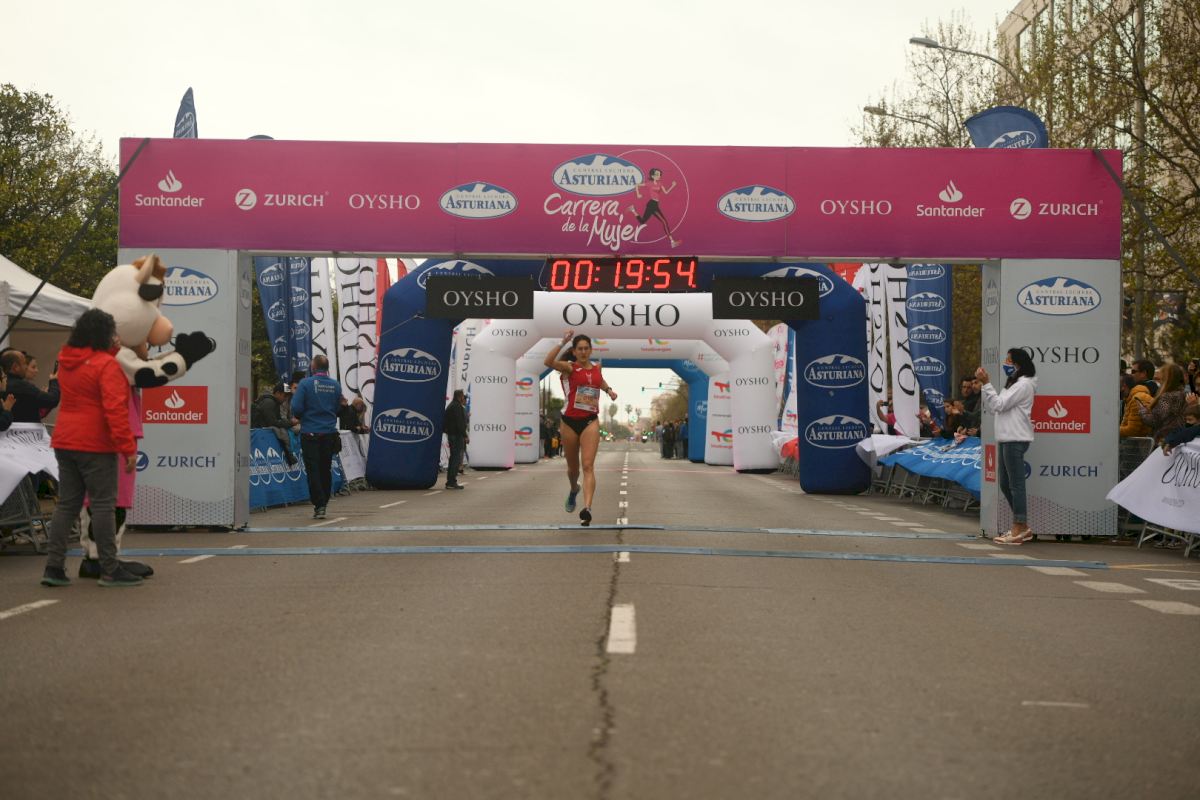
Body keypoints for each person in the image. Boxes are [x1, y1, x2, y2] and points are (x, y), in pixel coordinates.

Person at [39, 309, 141, 588]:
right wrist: (127, 448)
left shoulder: (66, 361)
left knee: (67, 505)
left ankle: (53, 567)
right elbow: (114, 410)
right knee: (104, 505)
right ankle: (109, 568)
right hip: (96, 443)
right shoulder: (106, 366)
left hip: (65, 439)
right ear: (104, 334)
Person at [545, 331, 617, 526]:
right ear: (575, 352)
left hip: (590, 421)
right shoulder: (569, 368)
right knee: (573, 469)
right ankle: (573, 489)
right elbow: (548, 362)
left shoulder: (597, 368)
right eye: (580, 349)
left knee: (588, 466)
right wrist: (562, 342)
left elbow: (599, 380)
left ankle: (587, 508)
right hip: (569, 421)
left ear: (591, 350)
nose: (584, 352)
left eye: (586, 348)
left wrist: (609, 390)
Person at [976, 348, 1037, 546]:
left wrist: (986, 383)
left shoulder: (1024, 384)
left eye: (1009, 360)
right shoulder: (1014, 383)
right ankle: (1023, 525)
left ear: (1018, 363)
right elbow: (994, 406)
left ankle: (1019, 526)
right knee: (1005, 484)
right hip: (1006, 438)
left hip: (1015, 438)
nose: (1006, 363)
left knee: (1016, 485)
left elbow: (999, 405)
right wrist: (986, 386)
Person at [290, 355, 343, 519]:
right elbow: (338, 408)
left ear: (313, 367)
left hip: (311, 434)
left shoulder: (305, 384)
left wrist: (302, 416)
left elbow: (296, 407)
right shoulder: (336, 385)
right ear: (327, 368)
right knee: (325, 469)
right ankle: (324, 502)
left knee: (313, 470)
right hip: (329, 434)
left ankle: (319, 504)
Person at [626, 167, 681, 248]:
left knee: (642, 221)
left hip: (655, 204)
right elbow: (637, 185)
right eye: (657, 174)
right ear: (652, 176)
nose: (659, 176)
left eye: (660, 174)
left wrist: (672, 186)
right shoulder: (649, 183)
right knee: (664, 222)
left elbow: (666, 192)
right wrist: (638, 194)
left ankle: (633, 210)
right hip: (652, 204)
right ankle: (672, 242)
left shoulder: (660, 184)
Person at [0, 349, 60, 423]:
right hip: (25, 429)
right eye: (24, 363)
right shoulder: (21, 387)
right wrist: (54, 381)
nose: (26, 367)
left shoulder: (9, 385)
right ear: (15, 367)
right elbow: (52, 400)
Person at [1135, 362, 1188, 443]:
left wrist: (1142, 410)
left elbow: (1154, 420)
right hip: (1176, 437)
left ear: (1168, 378)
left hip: (1163, 439)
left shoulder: (1167, 396)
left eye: (1162, 375)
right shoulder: (1183, 394)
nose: (1160, 378)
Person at [253, 383, 299, 465]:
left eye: (288, 396)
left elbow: (278, 420)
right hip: (261, 436)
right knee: (282, 432)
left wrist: (288, 422)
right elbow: (273, 422)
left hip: (263, 435)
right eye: (285, 396)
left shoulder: (275, 403)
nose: (286, 398)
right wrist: (291, 423)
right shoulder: (269, 403)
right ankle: (289, 455)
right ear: (277, 393)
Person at [442, 389, 469, 490]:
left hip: (452, 434)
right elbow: (460, 423)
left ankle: (451, 481)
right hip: (456, 435)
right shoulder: (457, 407)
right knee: (455, 459)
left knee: (454, 458)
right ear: (459, 396)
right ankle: (451, 481)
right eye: (462, 396)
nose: (463, 398)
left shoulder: (451, 405)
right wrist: (465, 435)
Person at [1118, 374, 1152, 438]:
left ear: (1124, 386)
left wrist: (1112, 430)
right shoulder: (1129, 398)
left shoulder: (1136, 399)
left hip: (1140, 442)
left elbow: (1132, 430)